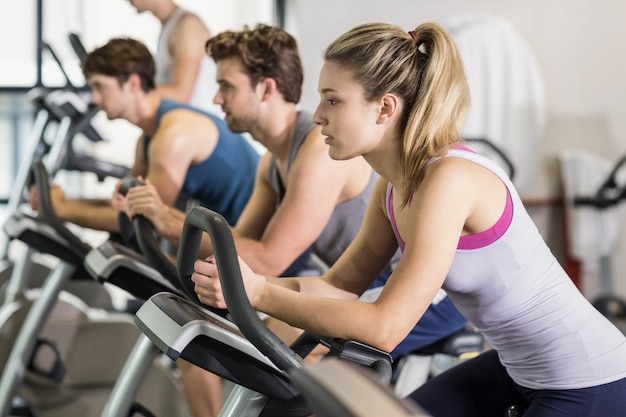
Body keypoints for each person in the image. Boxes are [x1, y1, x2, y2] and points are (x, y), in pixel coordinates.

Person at [191, 22, 626, 417]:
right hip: (518, 369)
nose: (318, 116)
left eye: (333, 100)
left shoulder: (448, 180)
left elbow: (385, 327)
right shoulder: (393, 184)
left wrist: (261, 294)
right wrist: (240, 284)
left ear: (384, 108)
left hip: (586, 378)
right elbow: (340, 286)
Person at [124, 23, 468, 416]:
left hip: (411, 294)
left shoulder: (318, 152)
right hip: (353, 283)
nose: (217, 98)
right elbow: (242, 246)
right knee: (215, 344)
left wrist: (166, 221)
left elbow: (267, 260)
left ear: (266, 89)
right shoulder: (272, 162)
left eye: (227, 86)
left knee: (275, 356)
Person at [29, 37, 258, 235]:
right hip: (227, 238)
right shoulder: (147, 140)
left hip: (251, 242)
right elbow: (122, 206)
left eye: (100, 87)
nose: (94, 99)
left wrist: (62, 209)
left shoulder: (173, 135)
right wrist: (63, 201)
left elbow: (141, 220)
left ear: (133, 83)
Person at [127, 0, 221, 114]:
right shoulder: (169, 26)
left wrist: (127, 88)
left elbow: (181, 94)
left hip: (199, 126)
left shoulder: (187, 24)